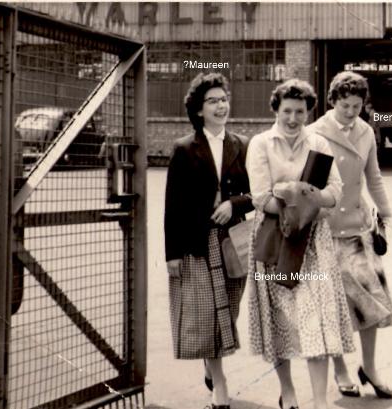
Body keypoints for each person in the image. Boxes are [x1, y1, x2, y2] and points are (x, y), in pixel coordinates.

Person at [246, 78, 355, 409]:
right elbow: (260, 196)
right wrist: (294, 201)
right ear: (276, 110)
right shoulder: (261, 143)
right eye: (287, 111)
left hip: (314, 242)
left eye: (300, 112)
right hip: (275, 239)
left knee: (317, 320)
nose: (293, 118)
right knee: (280, 320)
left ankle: (320, 401)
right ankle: (288, 391)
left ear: (309, 112)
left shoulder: (319, 143)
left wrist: (307, 196)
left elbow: (335, 191)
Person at [164, 72, 253, 409]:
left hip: (234, 244)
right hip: (196, 245)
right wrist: (172, 253)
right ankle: (220, 383)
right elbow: (172, 205)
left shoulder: (243, 145)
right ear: (199, 110)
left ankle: (210, 364)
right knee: (207, 314)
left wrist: (235, 204)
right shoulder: (184, 149)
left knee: (227, 311)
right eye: (212, 101)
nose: (220, 106)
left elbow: (257, 192)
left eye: (223, 99)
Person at [309, 71, 392, 400]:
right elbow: (310, 186)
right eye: (345, 105)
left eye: (357, 106)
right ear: (333, 102)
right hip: (325, 230)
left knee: (370, 304)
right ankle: (341, 371)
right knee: (333, 306)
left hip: (358, 228)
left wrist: (386, 213)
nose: (350, 112)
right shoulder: (315, 133)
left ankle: (369, 368)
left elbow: (373, 177)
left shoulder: (366, 132)